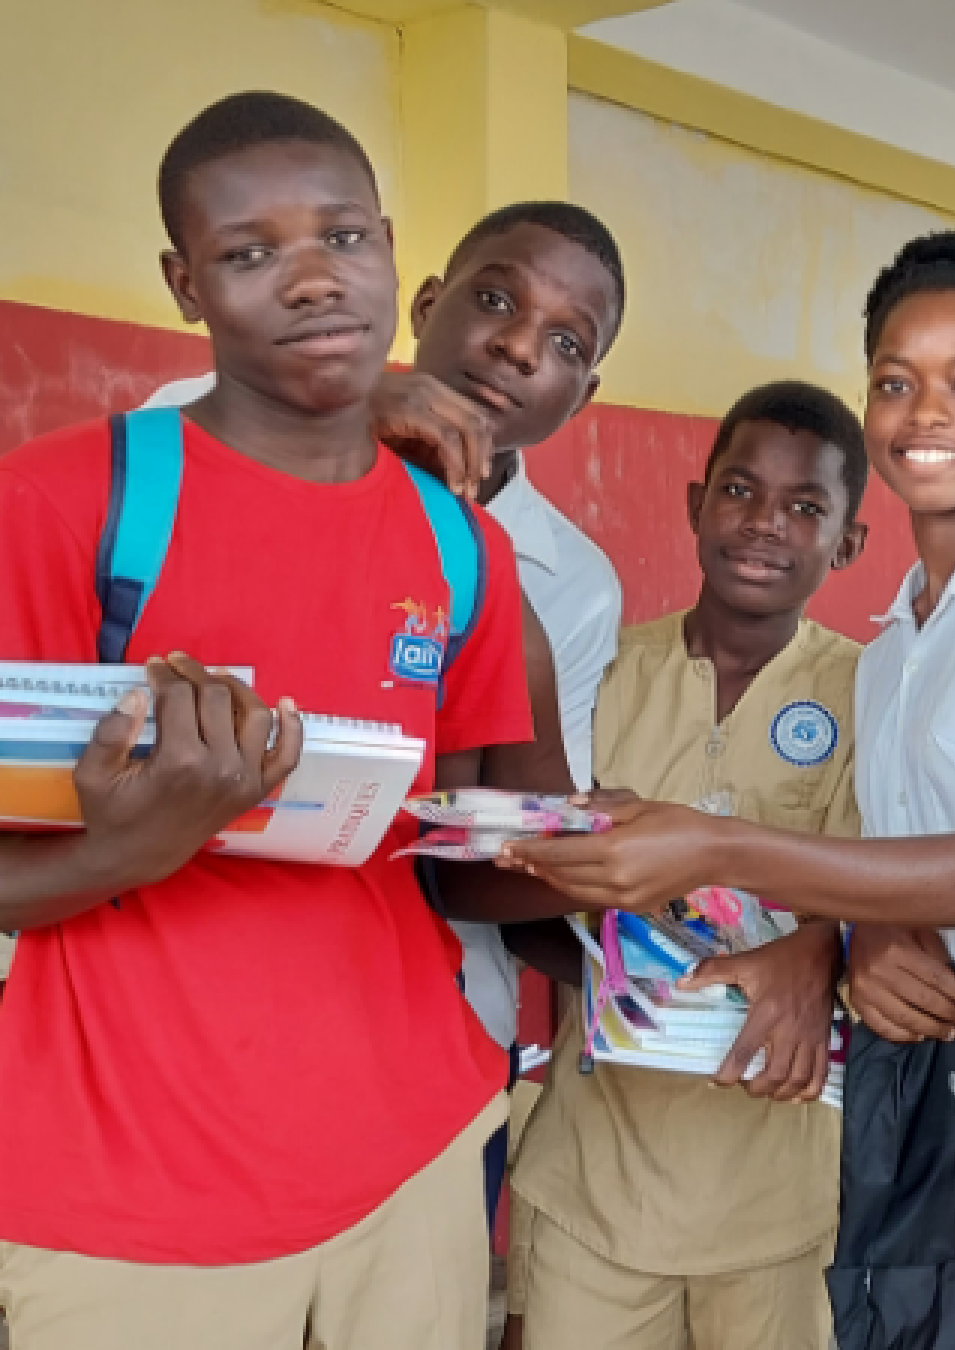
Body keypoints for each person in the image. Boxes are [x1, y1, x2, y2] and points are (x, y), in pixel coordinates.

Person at [0, 92, 555, 1350]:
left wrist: (641, 863)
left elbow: (448, 851)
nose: (313, 280)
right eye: (251, 253)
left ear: (391, 251)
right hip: (134, 1190)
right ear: (184, 283)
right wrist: (131, 849)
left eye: (344, 238)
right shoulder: (69, 502)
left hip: (408, 1156)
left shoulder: (461, 547)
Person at [501, 231, 955, 1186]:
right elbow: (893, 867)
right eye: (897, 382)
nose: (927, 411)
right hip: (933, 1125)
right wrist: (854, 937)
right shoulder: (893, 648)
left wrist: (714, 847)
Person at [144, 197, 631, 1229]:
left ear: (583, 394)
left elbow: (501, 841)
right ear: (424, 304)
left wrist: (613, 875)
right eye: (493, 300)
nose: (516, 348)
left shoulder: (570, 581)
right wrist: (345, 406)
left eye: (564, 344)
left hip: (427, 1027)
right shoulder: (205, 420)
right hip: (185, 1001)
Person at [483, 380, 868, 1350]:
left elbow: (879, 899)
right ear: (697, 505)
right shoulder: (603, 675)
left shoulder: (870, 696)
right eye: (739, 491)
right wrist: (630, 975)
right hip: (595, 1183)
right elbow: (522, 892)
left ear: (848, 543)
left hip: (785, 1203)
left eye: (805, 507)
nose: (765, 523)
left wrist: (819, 945)